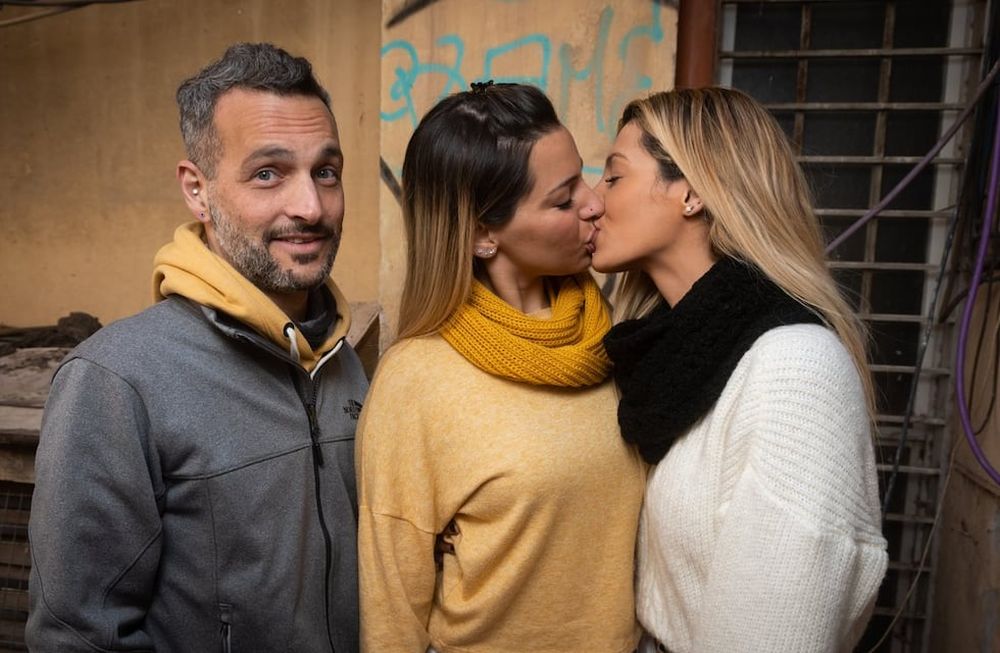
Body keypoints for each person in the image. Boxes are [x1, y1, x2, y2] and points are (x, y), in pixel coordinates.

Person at [26, 43, 367, 652]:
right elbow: (78, 636)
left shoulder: (347, 362)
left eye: (326, 171)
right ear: (197, 190)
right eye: (268, 173)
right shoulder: (116, 379)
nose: (311, 206)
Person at [588, 87, 889, 652]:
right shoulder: (669, 354)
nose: (591, 199)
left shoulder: (796, 371)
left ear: (691, 193)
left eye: (613, 177)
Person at [356, 82, 646, 652]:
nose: (593, 203)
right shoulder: (416, 382)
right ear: (483, 234)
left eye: (585, 179)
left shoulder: (615, 335)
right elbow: (392, 610)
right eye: (563, 201)